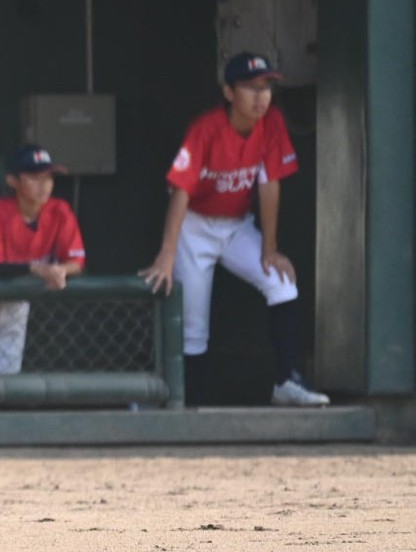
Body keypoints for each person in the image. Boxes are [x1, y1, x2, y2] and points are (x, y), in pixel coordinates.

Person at [140, 53, 329, 407]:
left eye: (266, 87)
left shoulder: (272, 122)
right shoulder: (206, 128)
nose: (261, 96)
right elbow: (181, 189)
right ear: (229, 92)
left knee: (282, 283)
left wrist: (269, 248)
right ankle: (185, 401)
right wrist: (167, 254)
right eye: (250, 88)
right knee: (193, 327)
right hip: (194, 227)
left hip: (237, 227)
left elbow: (269, 183)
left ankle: (286, 381)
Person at [0, 145, 85, 375]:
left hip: (17, 303)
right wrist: (39, 270)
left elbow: (77, 261)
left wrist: (61, 270)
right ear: (13, 181)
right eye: (34, 177)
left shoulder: (59, 211)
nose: (44, 184)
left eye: (48, 177)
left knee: (7, 381)